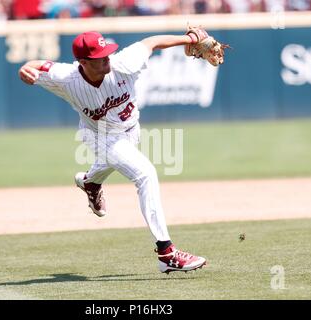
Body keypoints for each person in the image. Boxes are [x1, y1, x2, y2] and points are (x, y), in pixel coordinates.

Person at [19, 30, 208, 274]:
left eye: (107, 51)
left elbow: (151, 42)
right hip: (98, 136)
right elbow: (38, 66)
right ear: (83, 63)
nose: (107, 57)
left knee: (118, 161)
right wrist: (25, 67)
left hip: (130, 130)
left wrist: (191, 39)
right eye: (100, 56)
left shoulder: (124, 62)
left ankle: (90, 182)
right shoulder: (66, 78)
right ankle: (166, 252)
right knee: (145, 174)